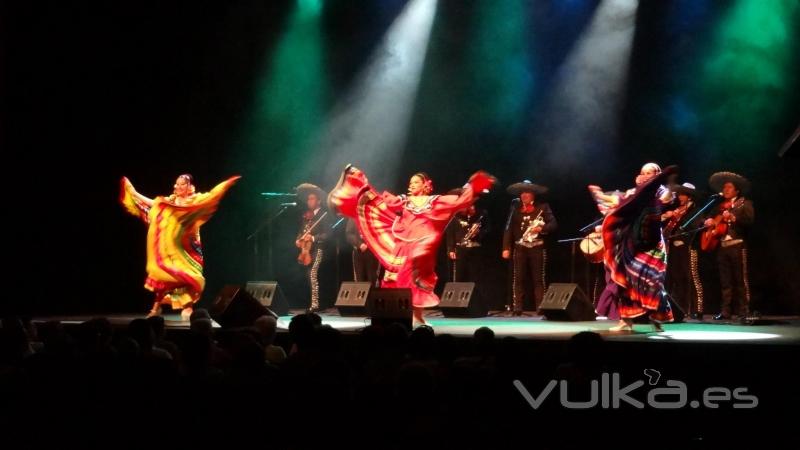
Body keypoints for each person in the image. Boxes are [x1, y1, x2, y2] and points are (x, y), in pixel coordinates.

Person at [328, 165, 496, 327]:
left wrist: (474, 186)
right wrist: (359, 183)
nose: (411, 185)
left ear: (425, 185)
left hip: (424, 242)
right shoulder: (404, 201)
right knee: (401, 278)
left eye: (415, 182)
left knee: (419, 278)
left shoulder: (434, 201)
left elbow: (459, 202)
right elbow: (380, 203)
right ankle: (402, 317)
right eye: (410, 182)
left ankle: (418, 317)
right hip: (403, 243)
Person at [120, 174, 240, 320]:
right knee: (164, 275)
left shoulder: (193, 200)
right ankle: (156, 308)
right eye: (176, 184)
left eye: (181, 184)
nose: (176, 187)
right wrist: (134, 193)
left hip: (187, 247)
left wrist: (225, 185)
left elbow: (211, 197)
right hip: (168, 246)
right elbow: (154, 204)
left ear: (189, 186)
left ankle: (187, 307)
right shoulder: (170, 200)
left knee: (186, 276)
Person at [588, 163, 675, 331]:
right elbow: (617, 200)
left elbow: (667, 198)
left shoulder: (660, 191)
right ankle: (625, 322)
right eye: (643, 172)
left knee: (653, 283)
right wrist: (598, 195)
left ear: (656, 175)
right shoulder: (634, 193)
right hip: (633, 244)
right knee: (625, 281)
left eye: (649, 173)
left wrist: (669, 183)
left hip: (652, 245)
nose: (645, 175)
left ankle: (656, 318)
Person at [702, 172, 754, 320]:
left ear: (737, 190)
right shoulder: (719, 206)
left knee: (740, 280)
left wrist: (733, 217)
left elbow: (749, 221)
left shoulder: (745, 203)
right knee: (725, 282)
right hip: (722, 246)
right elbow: (707, 218)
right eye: (724, 187)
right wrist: (708, 222)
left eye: (729, 187)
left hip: (737, 245)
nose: (725, 190)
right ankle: (725, 312)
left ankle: (744, 311)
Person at [502, 180, 557, 315]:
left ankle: (541, 308)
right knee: (518, 278)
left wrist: (541, 228)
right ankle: (517, 308)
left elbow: (554, 224)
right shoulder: (514, 208)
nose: (524, 195)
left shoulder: (542, 207)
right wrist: (506, 247)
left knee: (538, 279)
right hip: (520, 247)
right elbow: (508, 229)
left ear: (533, 194)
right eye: (522, 193)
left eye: (527, 193)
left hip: (536, 247)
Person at [663, 182, 705, 319]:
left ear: (690, 197)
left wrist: (682, 234)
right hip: (674, 248)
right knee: (675, 278)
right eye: (680, 194)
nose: (680, 197)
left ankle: (697, 309)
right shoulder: (677, 210)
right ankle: (680, 309)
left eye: (683, 194)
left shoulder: (695, 211)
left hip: (688, 247)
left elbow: (694, 227)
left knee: (691, 278)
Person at [294, 184, 333, 313]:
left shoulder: (324, 215)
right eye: (308, 199)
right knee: (308, 276)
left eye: (312, 199)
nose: (309, 201)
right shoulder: (307, 215)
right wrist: (298, 239)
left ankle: (316, 304)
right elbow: (301, 231)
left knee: (313, 274)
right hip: (306, 251)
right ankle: (315, 302)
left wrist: (313, 238)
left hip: (319, 249)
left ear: (319, 201)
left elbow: (328, 234)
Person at [445, 202, 489, 283]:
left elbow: (487, 229)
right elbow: (450, 233)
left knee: (475, 276)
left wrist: (478, 233)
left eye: (473, 206)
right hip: (460, 249)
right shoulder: (455, 216)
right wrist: (450, 249)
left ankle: (474, 294)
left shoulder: (481, 215)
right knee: (459, 276)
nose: (472, 208)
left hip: (475, 249)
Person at [346, 218, 381, 286]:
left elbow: (379, 233)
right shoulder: (353, 217)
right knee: (359, 279)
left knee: (372, 278)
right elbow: (349, 234)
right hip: (359, 253)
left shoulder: (373, 217)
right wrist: (359, 244)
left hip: (373, 253)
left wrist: (368, 244)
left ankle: (372, 296)